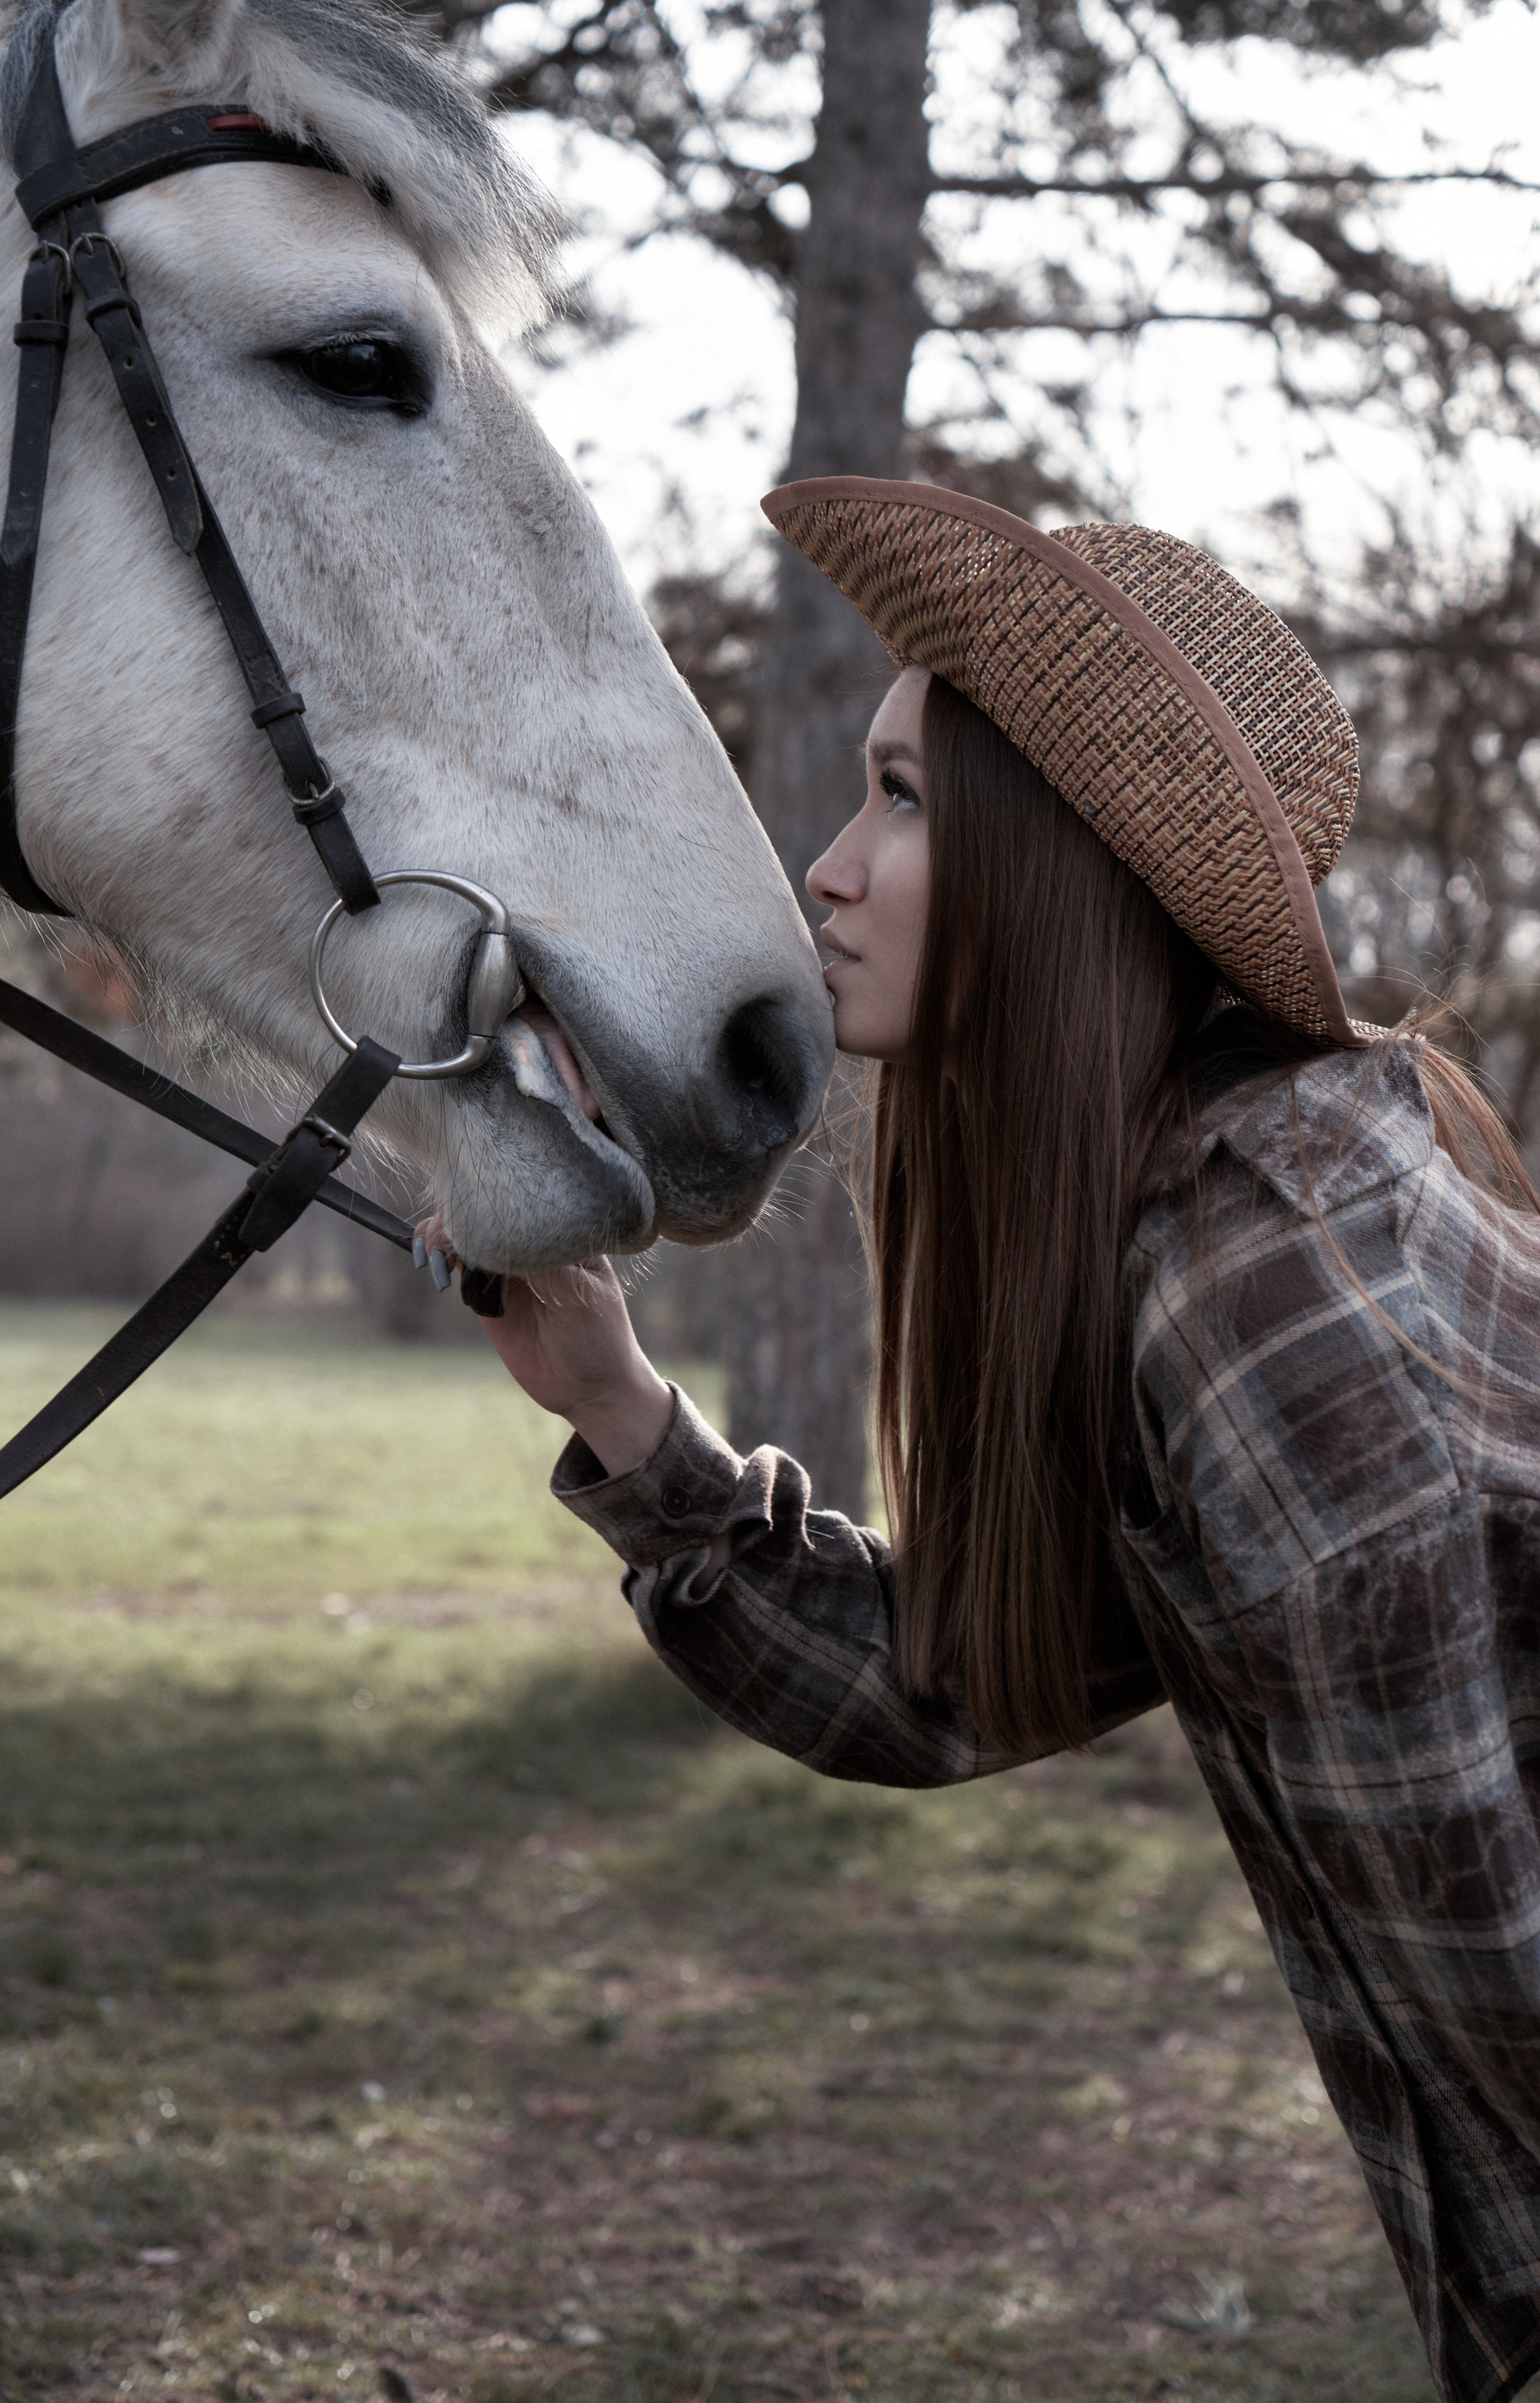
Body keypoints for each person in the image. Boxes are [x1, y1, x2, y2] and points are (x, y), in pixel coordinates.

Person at [420, 479, 1540, 2403]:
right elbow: (959, 1684)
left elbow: (1507, 2014)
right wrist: (619, 1406)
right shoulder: (1201, 1230)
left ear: (1065, 869)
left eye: (904, 800)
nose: (827, 867)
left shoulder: (1276, 1312)